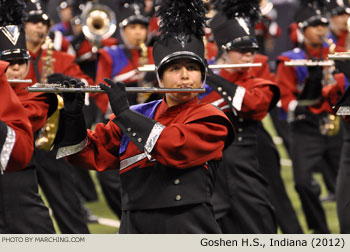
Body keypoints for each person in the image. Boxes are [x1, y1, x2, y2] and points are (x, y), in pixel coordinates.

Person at [53, 0, 234, 234]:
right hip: (134, 226)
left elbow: (174, 146)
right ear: (159, 78)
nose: (185, 76)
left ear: (203, 75)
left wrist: (125, 114)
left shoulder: (212, 118)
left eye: (192, 68)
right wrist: (72, 115)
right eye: (174, 69)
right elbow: (83, 153)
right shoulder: (140, 115)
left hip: (188, 224)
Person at [199, 0, 279, 234]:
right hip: (211, 169)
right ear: (224, 49)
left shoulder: (256, 81)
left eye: (251, 50)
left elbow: (252, 104)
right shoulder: (197, 80)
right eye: (241, 51)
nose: (248, 56)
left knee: (258, 225)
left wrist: (211, 77)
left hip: (247, 167)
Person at [275, 0, 348, 233]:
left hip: (335, 124)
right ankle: (320, 232)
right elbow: (284, 96)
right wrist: (299, 106)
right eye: (315, 25)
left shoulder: (336, 53)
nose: (320, 30)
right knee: (302, 182)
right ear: (301, 29)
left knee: (345, 186)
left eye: (323, 25)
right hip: (305, 126)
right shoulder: (289, 58)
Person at [21, 0, 93, 233]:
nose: (39, 28)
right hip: (19, 139)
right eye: (33, 22)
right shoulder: (10, 60)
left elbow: (85, 85)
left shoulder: (61, 58)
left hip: (50, 140)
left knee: (66, 204)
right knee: (17, 206)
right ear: (22, 26)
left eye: (43, 23)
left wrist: (69, 85)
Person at [0, 0, 55, 233]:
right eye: (8, 62)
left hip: (20, 188)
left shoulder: (37, 95)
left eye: (21, 62)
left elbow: (26, 117)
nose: (15, 69)